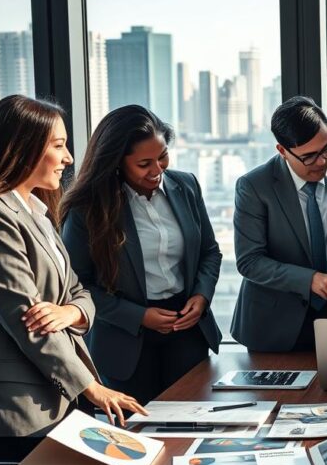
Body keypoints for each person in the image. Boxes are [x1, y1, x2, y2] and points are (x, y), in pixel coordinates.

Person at [0, 94, 146, 465]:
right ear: (21, 149)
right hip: (15, 412)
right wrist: (93, 388)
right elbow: (27, 321)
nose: (69, 158)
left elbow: (80, 291)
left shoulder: (36, 211)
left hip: (54, 397)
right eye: (59, 146)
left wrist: (70, 313)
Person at [61, 105, 222, 404]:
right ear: (117, 162)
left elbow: (209, 252)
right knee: (141, 435)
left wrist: (201, 296)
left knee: (194, 421)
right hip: (125, 338)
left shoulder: (186, 185)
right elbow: (78, 287)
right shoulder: (87, 209)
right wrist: (140, 317)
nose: (158, 169)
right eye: (144, 163)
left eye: (162, 156)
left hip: (186, 328)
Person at [230, 96, 327, 352]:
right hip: (273, 324)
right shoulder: (254, 187)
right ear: (282, 151)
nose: (322, 161)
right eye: (309, 156)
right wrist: (309, 279)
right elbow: (250, 261)